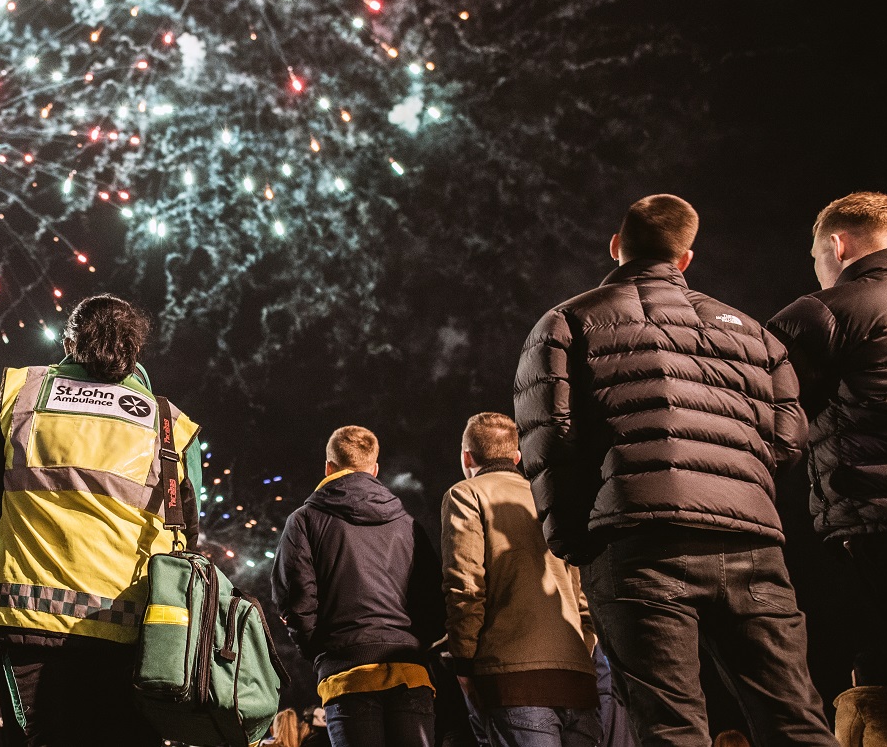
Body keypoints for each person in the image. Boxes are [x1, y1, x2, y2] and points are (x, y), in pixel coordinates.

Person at [513, 194, 836, 746]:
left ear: (617, 247)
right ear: (685, 258)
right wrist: (736, 487)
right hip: (750, 542)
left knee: (670, 725)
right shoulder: (754, 333)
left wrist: (573, 540)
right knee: (793, 716)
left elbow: (552, 440)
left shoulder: (567, 322)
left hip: (638, 544)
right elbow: (787, 437)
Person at [0, 294, 203, 746]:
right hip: (132, 632)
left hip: (27, 616)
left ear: (69, 340)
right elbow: (186, 534)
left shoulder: (21, 393)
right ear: (136, 348)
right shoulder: (171, 425)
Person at [767, 191, 887, 687]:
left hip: (877, 526)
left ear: (838, 246)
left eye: (817, 256)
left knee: (881, 673)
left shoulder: (824, 312)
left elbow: (758, 409)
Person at [272, 425, 444, 747]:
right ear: (375, 469)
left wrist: (322, 650)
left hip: (348, 677)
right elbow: (434, 601)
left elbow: (295, 600)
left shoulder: (304, 521)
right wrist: (415, 645)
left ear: (328, 467)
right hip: (410, 671)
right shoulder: (408, 525)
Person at [441, 412, 600, 747]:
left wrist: (464, 664)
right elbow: (581, 591)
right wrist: (582, 651)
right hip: (578, 679)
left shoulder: (466, 495)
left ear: (467, 456)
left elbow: (466, 587)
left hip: (513, 679)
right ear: (516, 457)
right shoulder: (548, 499)